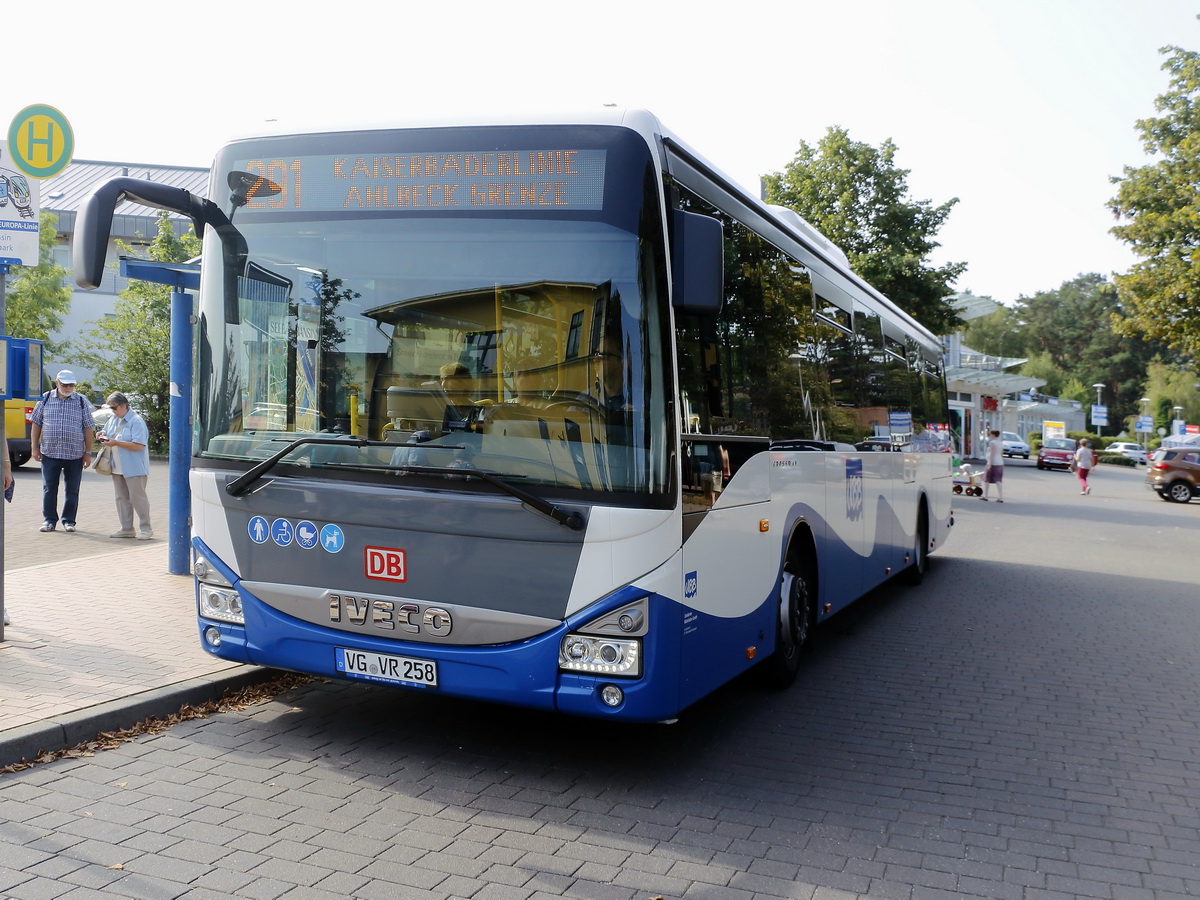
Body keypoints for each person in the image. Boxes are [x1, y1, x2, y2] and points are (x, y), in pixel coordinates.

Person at [30, 370, 95, 532]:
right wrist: (34, 447)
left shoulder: (80, 401)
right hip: (50, 452)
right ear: (57, 383)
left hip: (74, 453)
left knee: (72, 489)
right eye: (64, 384)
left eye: (71, 384)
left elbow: (88, 428)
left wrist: (88, 452)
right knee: (49, 488)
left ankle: (69, 521)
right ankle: (49, 520)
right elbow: (36, 423)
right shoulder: (45, 399)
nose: (68, 387)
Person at [99, 392, 154, 539]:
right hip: (117, 466)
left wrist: (116, 443)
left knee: (138, 498)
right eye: (110, 408)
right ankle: (127, 528)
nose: (112, 411)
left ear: (124, 406)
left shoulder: (136, 421)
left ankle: (146, 528)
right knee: (121, 497)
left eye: (114, 408)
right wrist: (101, 435)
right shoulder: (113, 419)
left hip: (134, 467)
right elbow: (107, 431)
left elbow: (139, 446)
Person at [982, 428, 1004, 502]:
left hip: (993, 462)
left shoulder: (993, 443)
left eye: (991, 434)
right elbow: (1001, 453)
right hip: (1000, 462)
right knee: (998, 480)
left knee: (986, 479)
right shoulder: (1000, 443)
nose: (990, 435)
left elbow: (992, 453)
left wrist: (990, 464)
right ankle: (1000, 497)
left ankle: (985, 496)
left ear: (993, 435)